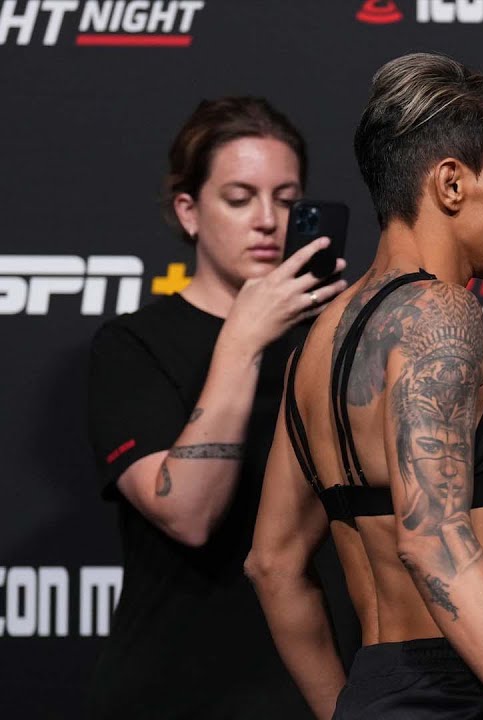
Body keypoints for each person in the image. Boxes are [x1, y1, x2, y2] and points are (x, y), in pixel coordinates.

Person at [244, 52, 483, 719]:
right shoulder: (440, 312)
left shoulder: (315, 344)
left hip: (379, 690)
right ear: (451, 184)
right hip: (466, 691)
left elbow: (272, 565)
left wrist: (352, 708)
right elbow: (431, 539)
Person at [86, 97, 345, 718]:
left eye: (286, 199)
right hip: (180, 691)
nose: (267, 221)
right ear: (189, 211)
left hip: (318, 688)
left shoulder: (332, 340)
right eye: (239, 198)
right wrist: (242, 342)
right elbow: (188, 513)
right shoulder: (133, 345)